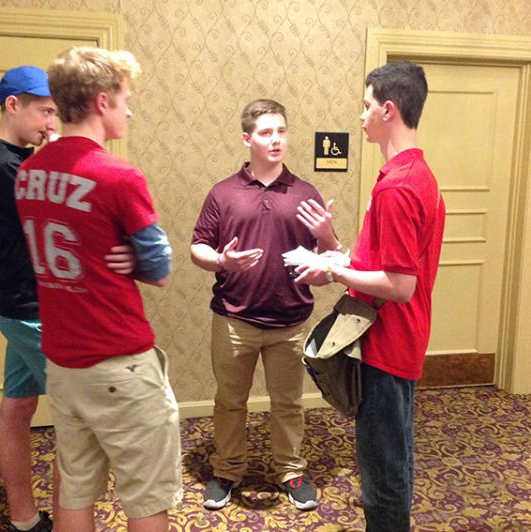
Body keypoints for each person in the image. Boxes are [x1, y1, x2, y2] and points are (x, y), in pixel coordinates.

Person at [14, 47, 182, 532]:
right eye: (126, 99)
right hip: (118, 363)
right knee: (145, 497)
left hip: (63, 362)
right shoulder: (117, 174)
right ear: (102, 101)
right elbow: (160, 267)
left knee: (75, 485)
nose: (129, 110)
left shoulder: (29, 174)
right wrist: (134, 258)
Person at [0, 66, 137, 532]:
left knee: (17, 407)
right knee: (82, 428)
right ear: (12, 105)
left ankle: (24, 517)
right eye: (44, 112)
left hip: (19, 305)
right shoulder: (3, 166)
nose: (52, 124)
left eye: (56, 114)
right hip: (35, 312)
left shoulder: (11, 161)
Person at [294, 61, 446, 531]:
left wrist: (335, 270)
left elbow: (401, 285)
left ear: (388, 109)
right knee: (391, 457)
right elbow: (382, 265)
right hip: (400, 338)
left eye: (365, 106)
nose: (360, 117)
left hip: (387, 343)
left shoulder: (398, 188)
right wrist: (334, 255)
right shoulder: (416, 175)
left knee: (383, 471)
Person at [191, 99, 338, 512]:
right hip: (234, 317)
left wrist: (326, 238)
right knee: (230, 401)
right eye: (266, 132)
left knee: (289, 403)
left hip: (290, 320)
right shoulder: (223, 193)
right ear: (247, 139)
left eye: (281, 131)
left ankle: (290, 471)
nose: (275, 140)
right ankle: (227, 470)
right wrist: (221, 260)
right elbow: (196, 247)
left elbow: (331, 258)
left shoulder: (306, 193)